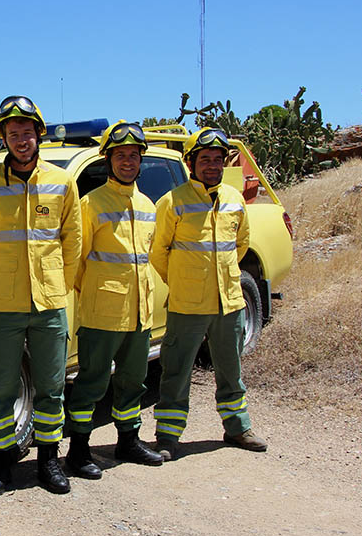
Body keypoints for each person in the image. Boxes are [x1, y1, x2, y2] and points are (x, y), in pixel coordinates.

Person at [0, 95, 81, 496]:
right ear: (3, 138)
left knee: (51, 386)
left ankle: (49, 462)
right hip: (2, 305)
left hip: (49, 304)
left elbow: (73, 240)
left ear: (38, 134)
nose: (21, 139)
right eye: (12, 133)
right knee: (1, 388)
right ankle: (1, 466)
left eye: (27, 132)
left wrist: (58, 284)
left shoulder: (62, 182)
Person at [149, 127, 267, 461]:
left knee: (231, 369)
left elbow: (240, 244)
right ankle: (168, 437)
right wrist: (184, 281)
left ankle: (237, 427)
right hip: (187, 303)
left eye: (217, 159)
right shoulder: (172, 202)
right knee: (176, 370)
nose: (212, 165)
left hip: (229, 301)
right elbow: (159, 252)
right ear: (191, 163)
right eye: (205, 159)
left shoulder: (233, 199)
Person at [67, 121, 165, 478]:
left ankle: (128, 441)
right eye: (120, 155)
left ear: (141, 160)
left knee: (133, 381)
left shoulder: (147, 204)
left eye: (133, 155)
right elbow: (76, 262)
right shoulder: (90, 204)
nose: (127, 162)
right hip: (102, 314)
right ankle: (78, 450)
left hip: (140, 313)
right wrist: (97, 294)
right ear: (107, 159)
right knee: (91, 383)